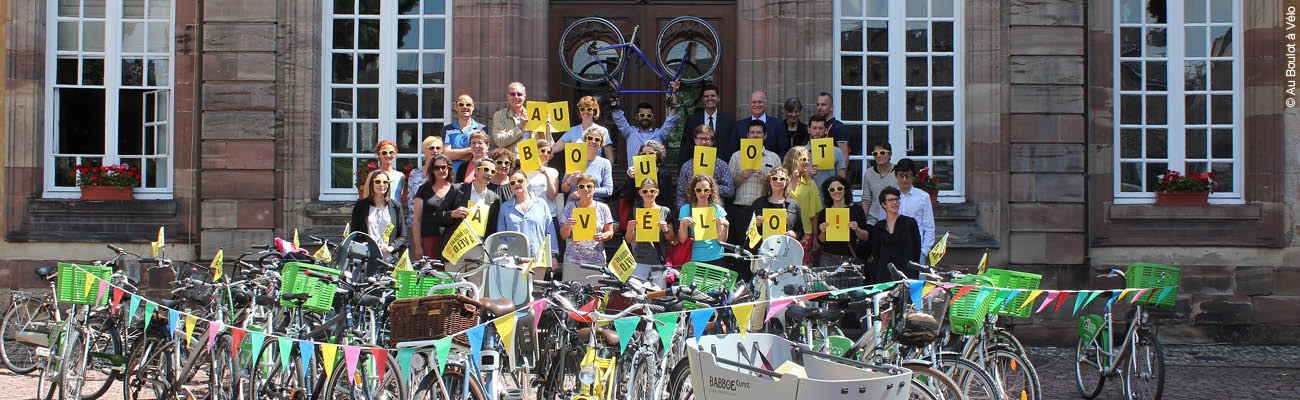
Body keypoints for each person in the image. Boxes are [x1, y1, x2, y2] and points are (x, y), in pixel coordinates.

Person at [726, 120, 783, 244]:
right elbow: (729, 186)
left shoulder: (774, 157)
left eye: (759, 132)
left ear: (765, 135)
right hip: (742, 209)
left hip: (765, 210)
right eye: (752, 132)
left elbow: (781, 185)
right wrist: (740, 177)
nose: (755, 135)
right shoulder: (736, 156)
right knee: (741, 247)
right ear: (747, 135)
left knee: (764, 246)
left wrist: (766, 180)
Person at [871, 159, 935, 259]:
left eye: (908, 176)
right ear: (896, 176)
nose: (904, 179)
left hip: (915, 248)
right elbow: (882, 222)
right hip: (891, 248)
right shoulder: (888, 196)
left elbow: (929, 226)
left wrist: (924, 251)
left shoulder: (923, 197)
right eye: (901, 175)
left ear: (914, 176)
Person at [559, 174, 616, 283]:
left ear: (594, 189)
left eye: (589, 186)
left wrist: (604, 235)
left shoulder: (603, 208)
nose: (585, 189)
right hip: (573, 262)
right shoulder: (569, 207)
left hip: (596, 262)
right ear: (577, 190)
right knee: (571, 297)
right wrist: (567, 226)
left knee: (595, 297)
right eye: (581, 187)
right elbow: (563, 235)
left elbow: (610, 232)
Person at [498, 169, 560, 267]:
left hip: (538, 259)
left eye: (520, 181)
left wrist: (552, 256)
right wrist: (502, 258)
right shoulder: (505, 207)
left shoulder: (541, 204)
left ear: (527, 182)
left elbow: (549, 231)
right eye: (513, 182)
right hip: (514, 261)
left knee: (537, 283)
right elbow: (501, 236)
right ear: (510, 186)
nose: (517, 184)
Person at [610, 81, 680, 167]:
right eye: (642, 115)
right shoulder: (630, 133)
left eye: (648, 115)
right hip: (634, 177)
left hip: (654, 178)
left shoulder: (659, 134)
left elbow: (672, 118)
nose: (645, 117)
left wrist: (675, 93)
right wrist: (615, 92)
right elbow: (618, 115)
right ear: (637, 117)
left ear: (652, 117)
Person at [624, 177, 676, 287]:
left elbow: (671, 238)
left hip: (658, 259)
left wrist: (665, 229)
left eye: (652, 191)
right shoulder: (635, 211)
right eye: (645, 191)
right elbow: (628, 239)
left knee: (658, 294)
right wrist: (629, 229)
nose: (649, 194)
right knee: (637, 293)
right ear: (640, 193)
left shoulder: (665, 211)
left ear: (657, 192)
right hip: (639, 259)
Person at [677, 174, 732, 274]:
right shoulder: (685, 209)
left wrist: (726, 225)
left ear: (711, 191)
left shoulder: (718, 209)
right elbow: (682, 240)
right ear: (694, 191)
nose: (702, 193)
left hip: (716, 257)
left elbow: (721, 240)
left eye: (706, 190)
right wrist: (683, 224)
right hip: (694, 258)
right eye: (699, 190)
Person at [866, 186, 921, 283]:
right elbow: (876, 253)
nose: (895, 203)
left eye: (896, 199)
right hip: (884, 274)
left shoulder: (910, 222)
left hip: (906, 273)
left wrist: (914, 272)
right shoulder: (879, 226)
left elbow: (916, 250)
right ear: (884, 204)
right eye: (891, 200)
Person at [813, 175, 871, 268]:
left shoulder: (856, 209)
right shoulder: (824, 212)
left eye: (839, 188)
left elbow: (866, 237)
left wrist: (857, 229)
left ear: (845, 190)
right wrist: (823, 232)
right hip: (828, 258)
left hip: (849, 258)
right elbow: (821, 241)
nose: (836, 191)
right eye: (832, 190)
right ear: (828, 192)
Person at [620, 140, 676, 231]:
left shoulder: (665, 174)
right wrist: (631, 178)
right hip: (640, 213)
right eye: (644, 154)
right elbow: (628, 195)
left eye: (650, 153)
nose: (647, 156)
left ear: (657, 155)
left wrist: (668, 219)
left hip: (659, 214)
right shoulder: (635, 172)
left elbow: (668, 199)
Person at [441, 158, 503, 239]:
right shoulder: (457, 189)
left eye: (493, 172)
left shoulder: (495, 199)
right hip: (455, 244)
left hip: (479, 246)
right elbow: (439, 215)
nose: (489, 174)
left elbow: (492, 228)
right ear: (476, 171)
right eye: (486, 169)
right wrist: (452, 214)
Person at [350, 170, 407, 258]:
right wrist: (363, 244)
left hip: (389, 258)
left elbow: (402, 236)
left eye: (385, 182)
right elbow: (354, 233)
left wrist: (390, 248)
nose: (381, 184)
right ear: (371, 184)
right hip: (366, 256)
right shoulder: (360, 206)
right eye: (377, 181)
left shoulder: (396, 206)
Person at [675, 125, 734, 209]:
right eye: (700, 138)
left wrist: (709, 187)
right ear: (695, 140)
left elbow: (730, 190)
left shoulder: (721, 165)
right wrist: (684, 212)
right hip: (692, 213)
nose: (703, 142)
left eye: (707, 139)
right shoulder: (687, 166)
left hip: (714, 212)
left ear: (712, 141)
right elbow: (680, 193)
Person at [748, 167, 803, 255]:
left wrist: (795, 234)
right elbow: (748, 232)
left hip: (786, 251)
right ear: (769, 181)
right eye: (774, 178)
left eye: (782, 179)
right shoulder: (758, 203)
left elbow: (800, 231)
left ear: (786, 182)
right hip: (763, 251)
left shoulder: (793, 205)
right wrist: (756, 224)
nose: (778, 181)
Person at [411, 155, 455, 260]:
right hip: (429, 239)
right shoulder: (424, 189)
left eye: (444, 167)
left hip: (451, 241)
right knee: (430, 274)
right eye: (436, 168)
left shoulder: (457, 189)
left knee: (449, 275)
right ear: (432, 170)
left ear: (449, 168)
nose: (440, 170)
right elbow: (417, 219)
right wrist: (418, 246)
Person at [681, 83, 735, 165]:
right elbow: (685, 146)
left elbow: (732, 146)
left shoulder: (728, 120)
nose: (710, 98)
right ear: (702, 99)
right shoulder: (692, 120)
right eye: (706, 96)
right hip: (697, 165)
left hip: (722, 167)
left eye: (713, 96)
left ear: (718, 98)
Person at [783, 146, 823, 252]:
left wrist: (815, 237)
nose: (807, 162)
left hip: (805, 234)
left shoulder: (810, 183)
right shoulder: (781, 181)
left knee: (803, 267)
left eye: (808, 160)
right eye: (804, 159)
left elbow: (815, 213)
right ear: (794, 160)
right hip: (782, 232)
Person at [560, 126, 614, 202]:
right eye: (590, 138)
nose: (593, 141)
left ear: (601, 143)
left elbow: (608, 190)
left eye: (597, 139)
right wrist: (568, 182)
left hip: (595, 205)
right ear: (585, 140)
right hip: (574, 205)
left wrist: (583, 192)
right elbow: (564, 189)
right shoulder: (575, 159)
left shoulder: (605, 163)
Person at [730, 91, 788, 160]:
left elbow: (783, 151)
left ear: (766, 104)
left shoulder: (778, 124)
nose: (757, 105)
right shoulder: (739, 126)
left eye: (760, 102)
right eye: (754, 102)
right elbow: (734, 150)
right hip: (745, 168)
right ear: (750, 104)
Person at [556, 96, 614, 162]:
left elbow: (610, 158)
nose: (585, 112)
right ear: (579, 111)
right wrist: (547, 127)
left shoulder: (603, 131)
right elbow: (554, 148)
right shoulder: (572, 131)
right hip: (575, 171)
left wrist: (605, 170)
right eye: (582, 109)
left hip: (594, 171)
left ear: (594, 111)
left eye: (589, 109)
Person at [444, 94, 486, 181]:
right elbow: (447, 155)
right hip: (452, 176)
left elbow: (481, 153)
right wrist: (471, 150)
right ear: (456, 107)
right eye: (461, 104)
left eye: (468, 105)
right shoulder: (447, 129)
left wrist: (455, 154)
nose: (465, 107)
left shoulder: (481, 128)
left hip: (473, 175)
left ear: (473, 107)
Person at [404, 135, 443, 229]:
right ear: (424, 151)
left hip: (435, 224)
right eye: (431, 148)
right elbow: (410, 199)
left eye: (438, 148)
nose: (435, 151)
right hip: (415, 222)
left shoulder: (444, 173)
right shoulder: (415, 173)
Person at [491, 82, 536, 152]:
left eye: (519, 94)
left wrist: (547, 128)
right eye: (512, 94)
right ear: (507, 96)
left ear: (525, 97)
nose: (516, 97)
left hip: (531, 161)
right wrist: (520, 127)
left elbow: (543, 143)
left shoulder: (534, 115)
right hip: (510, 161)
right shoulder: (499, 116)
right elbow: (500, 142)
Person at [861, 142, 898, 224]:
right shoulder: (868, 173)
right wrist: (863, 221)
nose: (879, 156)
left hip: (895, 219)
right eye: (875, 153)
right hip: (873, 220)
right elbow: (866, 199)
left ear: (890, 154)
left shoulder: (898, 172)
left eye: (882, 153)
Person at [807, 115, 848, 188]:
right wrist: (806, 173)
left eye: (820, 128)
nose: (817, 131)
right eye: (814, 128)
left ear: (826, 130)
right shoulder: (800, 153)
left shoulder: (837, 152)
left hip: (830, 196)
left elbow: (842, 180)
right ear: (809, 130)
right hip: (809, 197)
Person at [360, 140, 405, 205]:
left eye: (391, 152)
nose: (388, 155)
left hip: (395, 212)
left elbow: (399, 197)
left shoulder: (400, 176)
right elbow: (366, 199)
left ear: (395, 154)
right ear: (378, 155)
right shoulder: (373, 175)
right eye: (384, 153)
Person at [528, 138, 562, 215]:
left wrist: (546, 175)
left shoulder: (553, 172)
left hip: (549, 214)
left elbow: (552, 195)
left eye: (549, 152)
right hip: (530, 214)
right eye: (543, 151)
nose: (546, 154)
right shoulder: (524, 171)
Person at [815, 92, 851, 157]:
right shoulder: (815, 126)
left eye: (823, 105)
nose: (819, 107)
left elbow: (844, 157)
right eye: (818, 105)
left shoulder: (839, 127)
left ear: (831, 107)